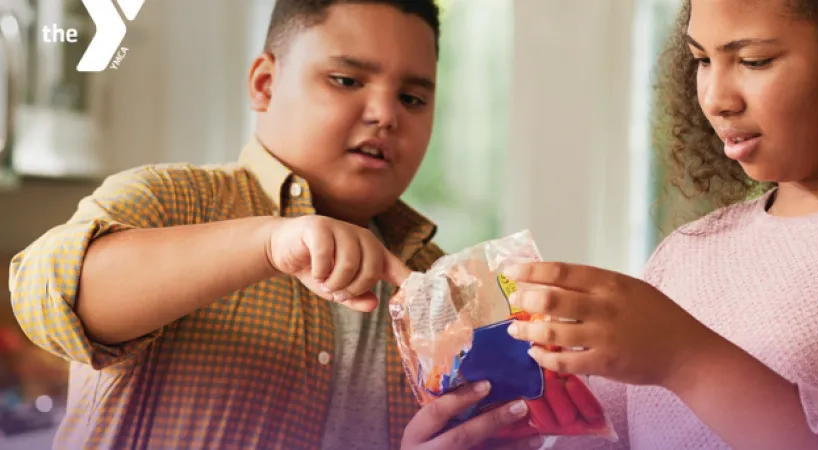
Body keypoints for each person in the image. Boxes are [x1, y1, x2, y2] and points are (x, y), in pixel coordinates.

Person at [7, 1, 533, 449]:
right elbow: (49, 298)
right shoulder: (168, 201)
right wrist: (269, 243)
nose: (385, 114)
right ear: (264, 83)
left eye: (412, 98)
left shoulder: (440, 288)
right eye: (347, 80)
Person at [503, 0, 818, 448]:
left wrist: (685, 359)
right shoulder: (689, 252)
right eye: (702, 60)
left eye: (753, 61)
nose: (715, 99)